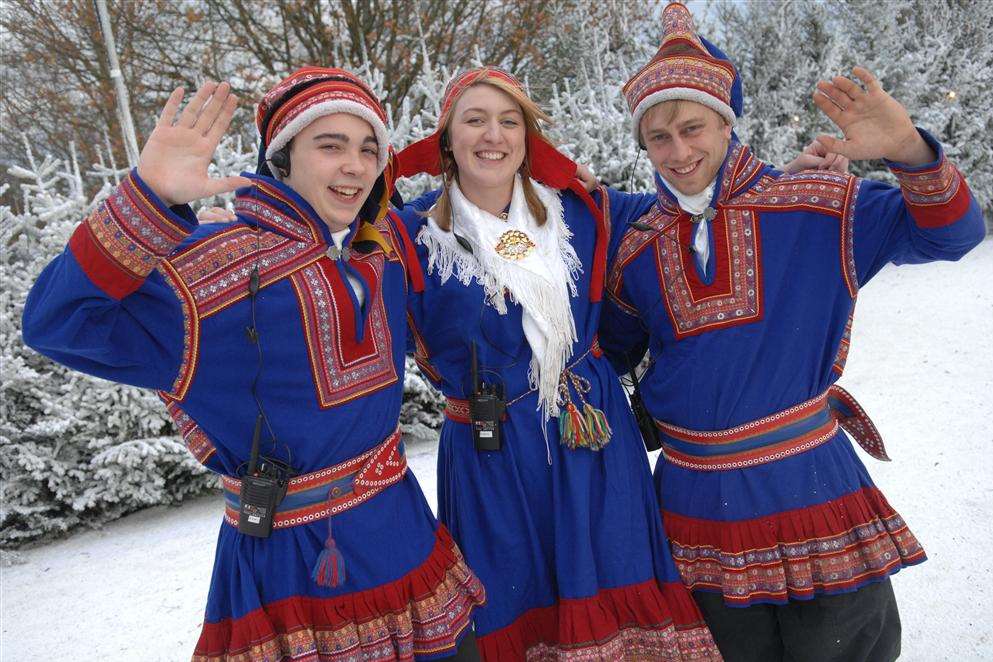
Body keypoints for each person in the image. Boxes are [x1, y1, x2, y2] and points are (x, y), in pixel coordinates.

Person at [22, 67, 485, 661]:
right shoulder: (205, 271)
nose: (355, 164)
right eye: (330, 145)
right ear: (282, 158)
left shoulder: (381, 248)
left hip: (408, 542)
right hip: (293, 575)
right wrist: (148, 200)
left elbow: (478, 203)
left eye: (368, 149)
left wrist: (564, 184)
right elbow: (57, 322)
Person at [599, 3, 986, 661]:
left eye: (692, 127)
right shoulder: (636, 249)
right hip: (695, 513)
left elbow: (954, 233)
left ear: (726, 123)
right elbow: (606, 356)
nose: (678, 151)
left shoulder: (815, 204)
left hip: (809, 494)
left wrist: (906, 150)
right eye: (658, 138)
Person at [393, 67, 721, 660]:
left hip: (593, 440)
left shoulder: (584, 211)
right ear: (447, 139)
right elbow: (329, 258)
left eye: (508, 121)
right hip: (493, 456)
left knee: (617, 579)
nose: (492, 135)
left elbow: (693, 201)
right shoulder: (410, 234)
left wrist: (784, 180)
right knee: (515, 595)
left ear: (527, 138)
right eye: (475, 120)